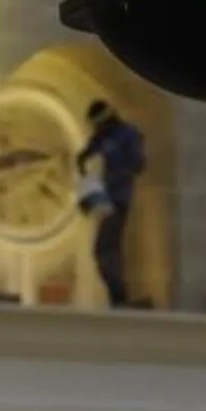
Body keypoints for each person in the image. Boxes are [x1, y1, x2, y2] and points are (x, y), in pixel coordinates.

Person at [76, 98, 147, 308]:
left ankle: (119, 297)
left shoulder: (127, 135)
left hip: (118, 198)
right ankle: (117, 297)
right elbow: (89, 150)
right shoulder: (103, 136)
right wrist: (83, 162)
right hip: (105, 196)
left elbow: (138, 165)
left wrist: (114, 179)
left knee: (105, 249)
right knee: (105, 250)